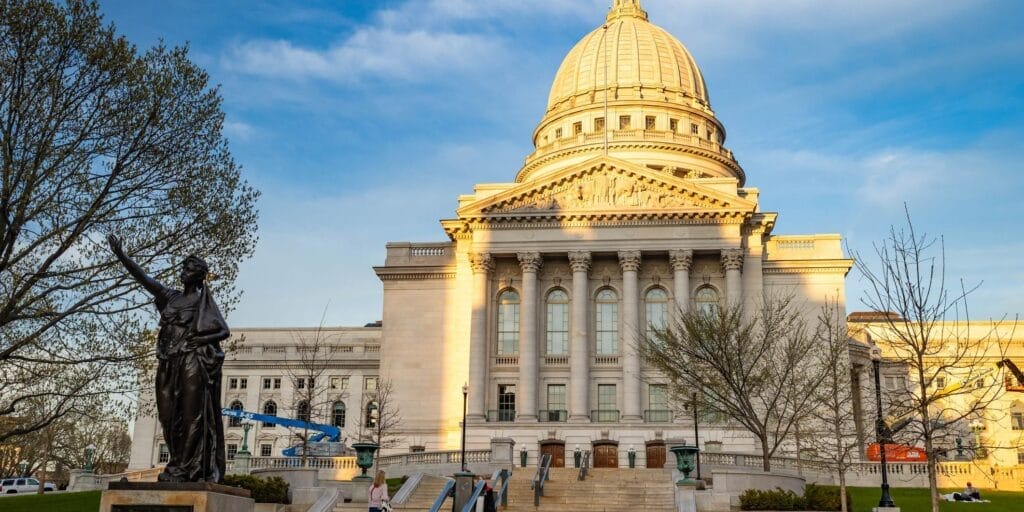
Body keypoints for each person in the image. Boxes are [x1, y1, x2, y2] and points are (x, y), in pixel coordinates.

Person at [108, 235, 230, 483]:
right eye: (183, 268)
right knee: (168, 415)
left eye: (189, 269)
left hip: (192, 361)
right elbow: (144, 279)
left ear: (199, 276)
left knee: (191, 414)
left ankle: (184, 468)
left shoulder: (202, 302)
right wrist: (122, 256)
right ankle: (177, 461)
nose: (183, 272)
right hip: (168, 362)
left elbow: (223, 330)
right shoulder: (171, 297)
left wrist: (199, 341)